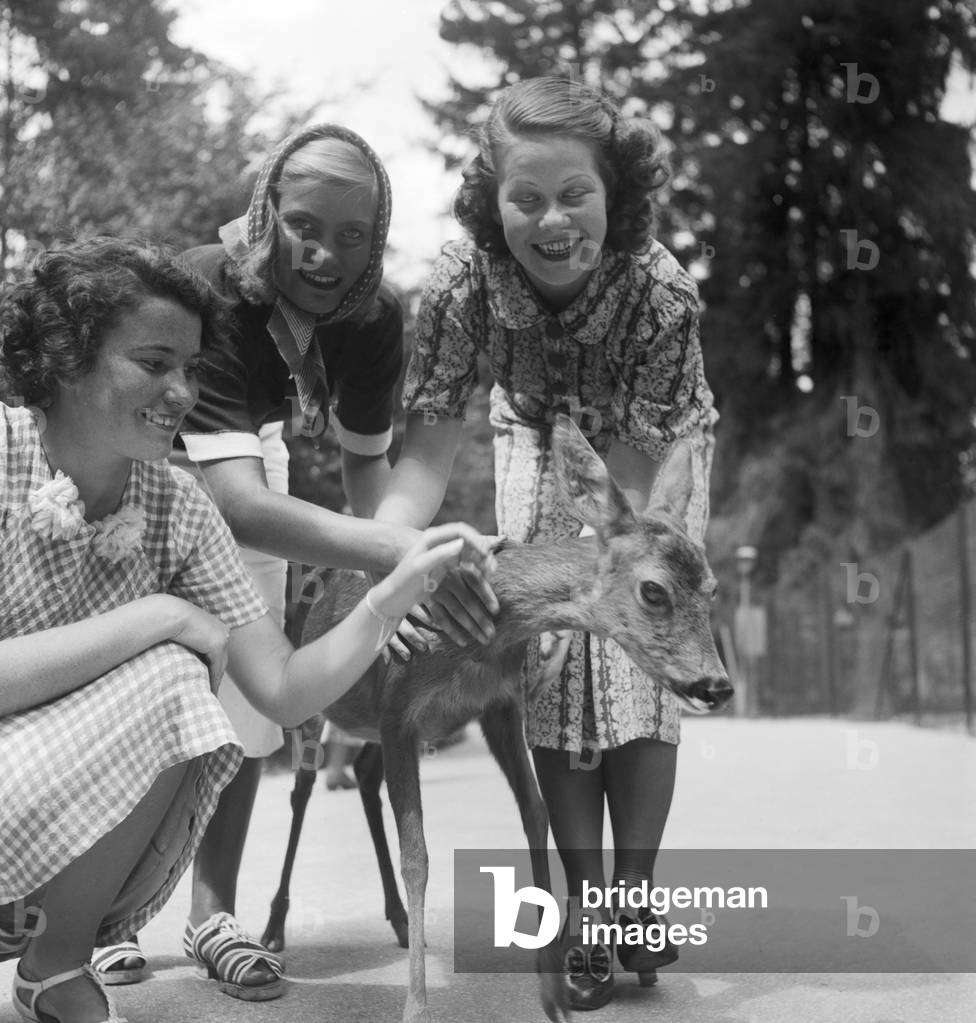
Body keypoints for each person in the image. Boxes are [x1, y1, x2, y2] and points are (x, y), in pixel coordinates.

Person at [0, 237, 493, 1023]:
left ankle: (54, 970)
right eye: (154, 363)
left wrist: (389, 595)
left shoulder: (182, 508)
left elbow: (286, 690)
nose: (182, 391)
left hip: (38, 803)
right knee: (168, 648)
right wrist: (155, 615)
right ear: (66, 356)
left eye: (192, 368)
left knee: (174, 677)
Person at [372, 77, 717, 1010]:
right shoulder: (458, 283)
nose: (552, 219)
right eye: (526, 197)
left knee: (627, 648)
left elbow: (636, 510)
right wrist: (396, 580)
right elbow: (420, 466)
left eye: (577, 194)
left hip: (650, 454)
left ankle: (633, 903)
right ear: (494, 200)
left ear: (618, 194)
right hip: (527, 423)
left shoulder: (658, 292)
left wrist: (610, 561)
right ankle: (585, 909)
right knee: (552, 655)